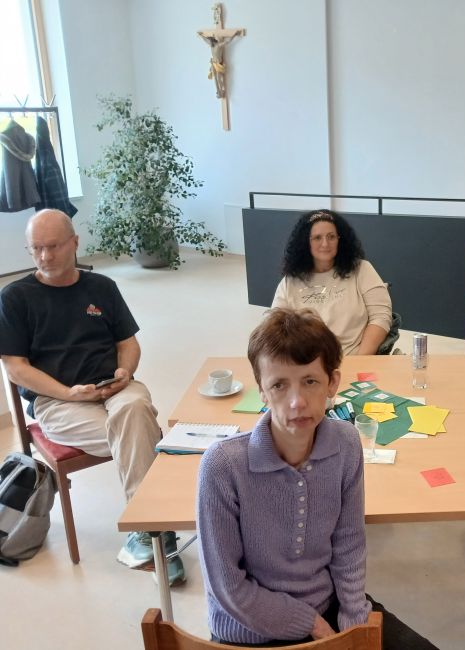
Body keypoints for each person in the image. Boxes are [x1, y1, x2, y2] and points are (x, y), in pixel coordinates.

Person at [197, 308, 437, 648]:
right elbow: (228, 588)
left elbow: (349, 542)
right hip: (249, 630)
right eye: (279, 385)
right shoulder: (222, 466)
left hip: (328, 608)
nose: (297, 402)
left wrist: (354, 624)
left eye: (310, 381)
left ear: (332, 383)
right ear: (261, 390)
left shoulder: (346, 443)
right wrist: (311, 624)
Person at [0, 209, 184, 583]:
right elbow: (16, 368)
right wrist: (67, 393)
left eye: (53, 246)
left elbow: (128, 343)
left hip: (114, 387)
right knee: (140, 432)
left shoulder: (101, 287)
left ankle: (147, 537)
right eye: (36, 248)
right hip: (57, 401)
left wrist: (125, 371)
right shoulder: (15, 298)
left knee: (135, 408)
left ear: (75, 243)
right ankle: (155, 533)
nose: (45, 256)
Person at [272, 209, 392, 356]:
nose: (325, 244)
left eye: (331, 237)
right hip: (304, 364)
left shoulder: (362, 270)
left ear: (340, 240)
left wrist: (360, 361)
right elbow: (273, 329)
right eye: (317, 238)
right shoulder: (290, 282)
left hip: (354, 360)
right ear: (305, 242)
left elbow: (380, 318)